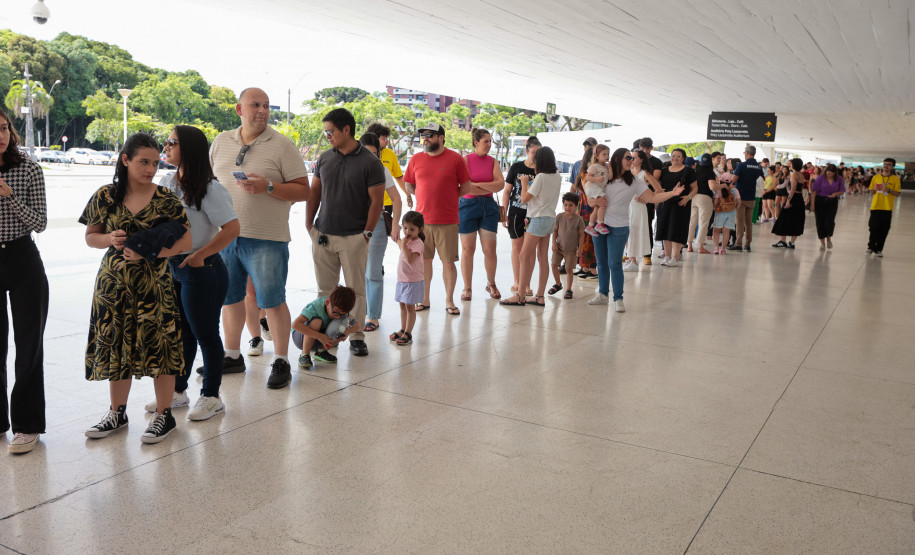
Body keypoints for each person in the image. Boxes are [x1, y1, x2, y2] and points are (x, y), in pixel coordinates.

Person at [81, 133, 191, 444]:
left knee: (161, 347)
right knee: (117, 346)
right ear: (125, 159)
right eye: (144, 162)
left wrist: (150, 252)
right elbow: (91, 236)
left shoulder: (166, 198)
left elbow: (187, 241)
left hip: (154, 285)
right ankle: (117, 412)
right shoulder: (106, 195)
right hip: (113, 285)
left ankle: (164, 415)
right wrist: (108, 239)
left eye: (155, 163)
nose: (151, 169)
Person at [209, 87, 310, 388]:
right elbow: (210, 184)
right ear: (239, 109)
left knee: (272, 300)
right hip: (226, 237)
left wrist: (268, 187)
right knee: (230, 299)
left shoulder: (282, 145)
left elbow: (304, 190)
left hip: (267, 239)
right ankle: (232, 355)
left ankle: (281, 361)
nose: (263, 111)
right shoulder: (220, 141)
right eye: (255, 105)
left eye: (266, 105)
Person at [150, 125, 240, 421]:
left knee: (206, 335)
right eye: (166, 142)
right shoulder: (167, 182)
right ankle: (178, 391)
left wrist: (201, 254)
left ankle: (212, 397)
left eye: (172, 142)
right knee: (182, 333)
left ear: (188, 148)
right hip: (174, 267)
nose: (166, 147)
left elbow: (232, 229)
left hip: (203, 269)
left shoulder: (210, 188)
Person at [306, 108, 385, 367]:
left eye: (330, 131)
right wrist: (309, 225)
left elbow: (376, 202)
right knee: (325, 292)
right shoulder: (325, 158)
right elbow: (314, 193)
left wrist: (367, 234)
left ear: (346, 130)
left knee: (355, 290)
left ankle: (356, 336)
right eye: (325, 132)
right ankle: (323, 340)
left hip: (354, 237)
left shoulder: (370, 162)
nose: (327, 136)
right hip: (323, 235)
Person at [0, 109, 48, 454]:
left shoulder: (29, 168)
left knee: (29, 345)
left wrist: (10, 196)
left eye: (4, 128)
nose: (1, 135)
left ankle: (28, 425)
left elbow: (40, 222)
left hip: (23, 257)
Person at [587, 148, 684, 312]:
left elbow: (652, 197)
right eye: (627, 157)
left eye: (632, 158)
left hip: (619, 227)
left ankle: (618, 298)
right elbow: (590, 198)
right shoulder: (604, 176)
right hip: (599, 225)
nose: (631, 160)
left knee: (614, 263)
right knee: (601, 263)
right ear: (617, 159)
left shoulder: (632, 180)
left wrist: (672, 194)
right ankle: (603, 294)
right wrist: (595, 202)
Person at [403, 122, 471, 315]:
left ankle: (449, 301)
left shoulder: (456, 159)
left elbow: (466, 187)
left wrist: (448, 197)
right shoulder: (416, 159)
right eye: (423, 135)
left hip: (448, 220)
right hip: (421, 223)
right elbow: (409, 185)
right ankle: (424, 299)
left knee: (448, 262)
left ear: (441, 138)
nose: (425, 138)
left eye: (430, 135)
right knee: (424, 261)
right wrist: (424, 196)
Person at [500, 147, 562, 307]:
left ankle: (520, 295)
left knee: (523, 255)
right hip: (550, 218)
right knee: (543, 258)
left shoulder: (541, 177)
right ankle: (540, 296)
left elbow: (525, 199)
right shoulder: (557, 176)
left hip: (538, 219)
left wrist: (524, 183)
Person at [358, 132, 402, 333]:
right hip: (354, 225)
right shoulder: (351, 167)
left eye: (374, 153)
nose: (370, 157)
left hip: (376, 224)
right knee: (356, 272)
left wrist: (395, 224)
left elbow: (396, 199)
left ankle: (373, 316)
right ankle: (358, 312)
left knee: (373, 272)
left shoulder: (381, 170)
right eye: (366, 152)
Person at [459, 128, 504, 302]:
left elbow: (500, 185)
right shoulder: (465, 160)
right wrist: (488, 185)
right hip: (467, 207)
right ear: (476, 142)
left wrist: (477, 185)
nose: (489, 144)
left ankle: (491, 283)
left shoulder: (493, 161)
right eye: (486, 141)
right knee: (468, 249)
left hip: (488, 207)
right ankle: (467, 287)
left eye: (490, 141)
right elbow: (465, 187)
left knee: (490, 249)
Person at [502, 136, 541, 295]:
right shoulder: (517, 167)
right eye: (533, 152)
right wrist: (503, 213)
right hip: (516, 212)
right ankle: (517, 281)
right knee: (517, 248)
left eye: (539, 152)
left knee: (529, 250)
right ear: (527, 151)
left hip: (533, 214)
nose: (536, 156)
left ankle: (527, 284)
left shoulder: (541, 171)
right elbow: (507, 191)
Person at [291, 286, 358, 370]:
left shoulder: (340, 310)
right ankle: (304, 355)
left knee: (341, 325)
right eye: (335, 313)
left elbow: (357, 325)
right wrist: (319, 336)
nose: (338, 317)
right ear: (327, 302)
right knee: (317, 321)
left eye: (342, 314)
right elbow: (295, 325)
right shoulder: (315, 307)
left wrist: (346, 331)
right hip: (301, 337)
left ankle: (321, 352)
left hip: (319, 339)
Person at [656, 148, 698, 267]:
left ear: (683, 158)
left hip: (681, 204)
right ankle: (667, 256)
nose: (675, 158)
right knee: (665, 230)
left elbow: (695, 188)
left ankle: (675, 257)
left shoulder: (688, 171)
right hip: (665, 204)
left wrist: (688, 197)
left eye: (678, 156)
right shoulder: (664, 171)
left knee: (677, 230)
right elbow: (660, 187)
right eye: (673, 155)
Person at [622, 149, 662, 272]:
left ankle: (634, 260)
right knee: (628, 232)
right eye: (630, 157)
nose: (631, 160)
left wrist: (646, 200)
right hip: (628, 206)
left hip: (638, 207)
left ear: (641, 160)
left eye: (634, 158)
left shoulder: (645, 174)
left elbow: (659, 189)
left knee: (634, 231)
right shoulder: (628, 172)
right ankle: (630, 258)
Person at [391, 211, 426, 346]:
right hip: (402, 279)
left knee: (410, 307)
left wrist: (404, 245)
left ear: (420, 229)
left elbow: (410, 260)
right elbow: (400, 246)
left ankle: (408, 333)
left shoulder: (418, 243)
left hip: (413, 281)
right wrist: (399, 240)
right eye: (405, 228)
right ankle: (403, 329)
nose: (407, 232)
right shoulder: (407, 241)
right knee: (402, 306)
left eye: (412, 229)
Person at [547, 193, 585, 299]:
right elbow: (555, 231)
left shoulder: (579, 219)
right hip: (559, 248)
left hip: (571, 250)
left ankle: (568, 289)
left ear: (576, 206)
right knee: (554, 265)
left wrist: (580, 248)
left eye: (571, 205)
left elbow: (581, 235)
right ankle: (558, 284)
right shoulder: (559, 216)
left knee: (569, 269)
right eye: (566, 205)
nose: (568, 207)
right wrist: (554, 243)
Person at [571, 144, 598, 279]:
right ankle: (587, 267)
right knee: (586, 238)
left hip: (585, 207)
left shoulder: (584, 172)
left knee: (587, 238)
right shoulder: (589, 173)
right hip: (588, 207)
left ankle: (589, 268)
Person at [730, 145, 764, 251]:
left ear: (747, 153)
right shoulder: (758, 166)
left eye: (744, 152)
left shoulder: (742, 165)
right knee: (748, 222)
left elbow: (734, 180)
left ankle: (738, 244)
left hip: (741, 197)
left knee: (739, 222)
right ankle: (748, 244)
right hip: (751, 197)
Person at [866, 158, 902, 256]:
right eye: (885, 164)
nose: (886, 166)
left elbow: (898, 194)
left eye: (888, 164)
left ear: (892, 167)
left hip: (887, 208)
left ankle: (878, 249)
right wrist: (874, 189)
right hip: (875, 207)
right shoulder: (876, 177)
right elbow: (871, 192)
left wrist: (888, 190)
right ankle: (871, 247)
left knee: (884, 229)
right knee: (873, 227)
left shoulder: (895, 179)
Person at [638, 138, 664, 265]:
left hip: (648, 197)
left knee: (647, 225)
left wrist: (645, 175)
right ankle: (629, 253)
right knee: (632, 226)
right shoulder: (635, 161)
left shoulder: (656, 162)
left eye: (647, 148)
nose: (645, 150)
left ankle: (647, 254)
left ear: (651, 148)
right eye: (642, 148)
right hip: (634, 199)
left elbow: (655, 178)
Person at [771, 158, 807, 249]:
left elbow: (793, 189)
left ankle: (783, 241)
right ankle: (792, 243)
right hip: (799, 199)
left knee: (783, 218)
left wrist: (788, 201)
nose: (789, 165)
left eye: (790, 164)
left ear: (794, 165)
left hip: (793, 198)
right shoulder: (801, 175)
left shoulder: (794, 175)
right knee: (797, 220)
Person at [810, 163, 845, 251]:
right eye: (828, 173)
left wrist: (835, 194)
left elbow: (842, 191)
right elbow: (814, 192)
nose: (830, 175)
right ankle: (822, 243)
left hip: (832, 202)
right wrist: (812, 205)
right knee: (820, 222)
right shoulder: (820, 178)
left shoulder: (839, 179)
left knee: (829, 221)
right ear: (826, 172)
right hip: (820, 201)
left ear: (835, 173)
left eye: (832, 174)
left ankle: (828, 238)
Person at [687, 153, 717, 254]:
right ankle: (700, 247)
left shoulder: (696, 170)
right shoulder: (710, 172)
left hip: (693, 197)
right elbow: (712, 187)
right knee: (703, 223)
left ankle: (689, 245)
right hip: (705, 198)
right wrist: (723, 186)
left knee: (692, 222)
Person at [583, 144, 610, 237]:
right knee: (603, 202)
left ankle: (590, 226)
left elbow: (610, 177)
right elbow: (588, 177)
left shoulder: (606, 167)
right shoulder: (594, 166)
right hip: (592, 187)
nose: (607, 156)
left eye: (608, 154)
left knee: (597, 207)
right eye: (604, 154)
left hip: (598, 188)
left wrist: (610, 167)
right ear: (597, 156)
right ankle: (600, 223)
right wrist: (597, 179)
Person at [712, 180, 739, 255]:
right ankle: (723, 249)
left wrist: (715, 208)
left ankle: (716, 248)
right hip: (731, 213)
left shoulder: (719, 190)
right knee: (726, 231)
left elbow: (716, 202)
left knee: (716, 230)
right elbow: (739, 202)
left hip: (720, 212)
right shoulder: (735, 190)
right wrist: (735, 209)